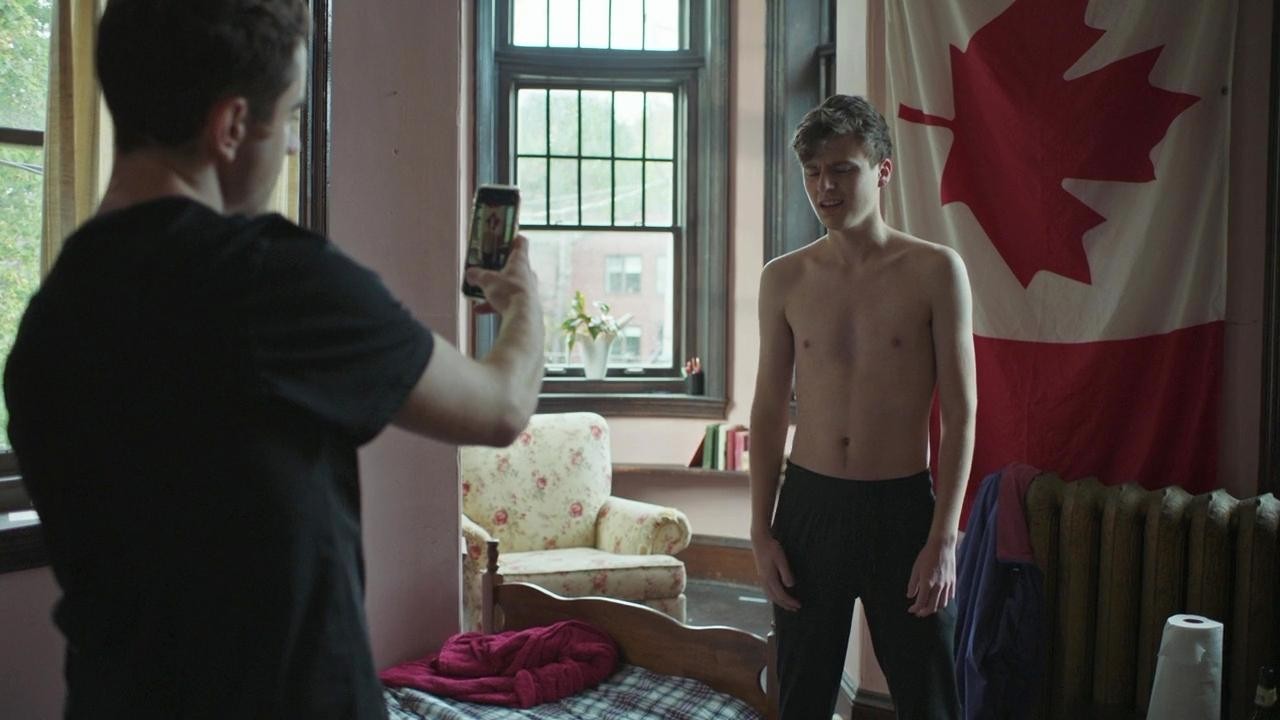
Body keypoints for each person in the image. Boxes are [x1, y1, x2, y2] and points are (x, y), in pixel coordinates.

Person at [1, 1, 544, 718]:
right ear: (230, 126)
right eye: (289, 117)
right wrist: (523, 300)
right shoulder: (273, 279)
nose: (291, 145)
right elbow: (501, 407)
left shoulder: (46, 324)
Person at [748, 94, 977, 719]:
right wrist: (761, 529)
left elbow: (961, 413)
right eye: (813, 172)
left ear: (882, 170)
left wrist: (944, 537)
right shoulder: (784, 278)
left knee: (929, 697)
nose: (825, 187)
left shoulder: (936, 270)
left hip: (901, 511)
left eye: (842, 169)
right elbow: (768, 409)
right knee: (802, 697)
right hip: (809, 506)